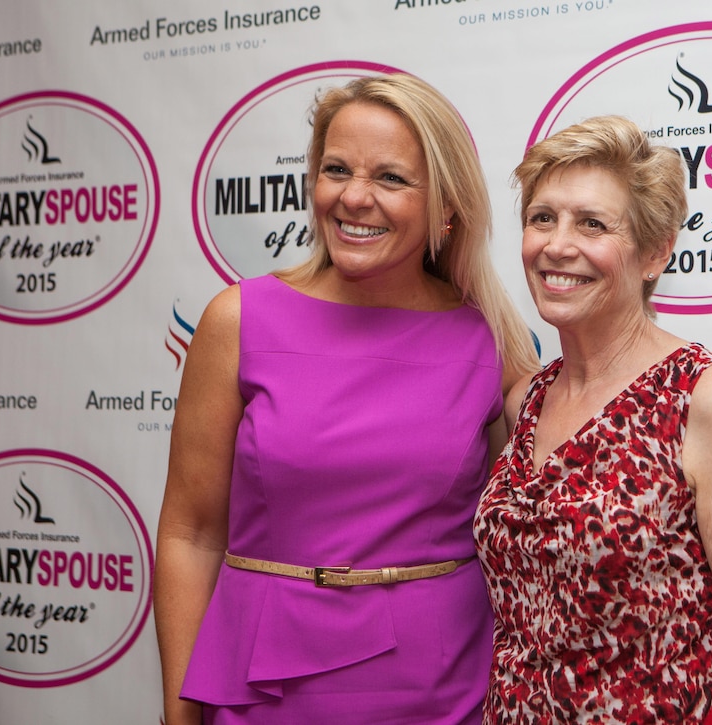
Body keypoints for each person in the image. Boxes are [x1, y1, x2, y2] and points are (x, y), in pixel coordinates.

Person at [154, 73, 540, 725]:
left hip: (445, 690)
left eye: (389, 178)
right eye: (336, 169)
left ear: (447, 208)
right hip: (265, 691)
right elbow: (191, 535)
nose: (354, 197)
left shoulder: (491, 339)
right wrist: (179, 714)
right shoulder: (237, 320)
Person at [474, 116, 712, 724]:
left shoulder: (707, 397)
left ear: (655, 253)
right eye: (542, 217)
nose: (556, 244)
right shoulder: (525, 400)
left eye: (592, 224)